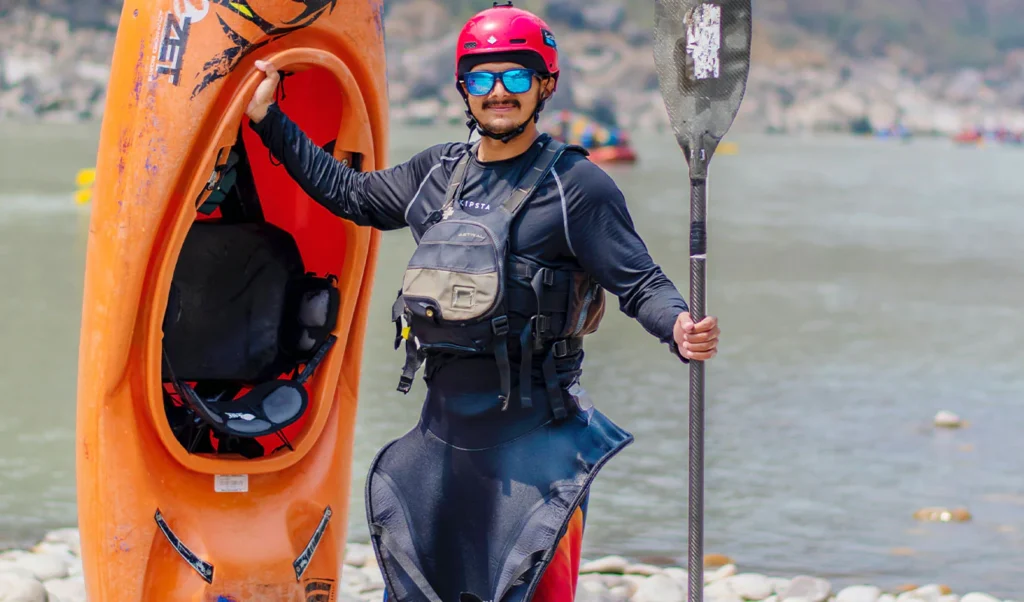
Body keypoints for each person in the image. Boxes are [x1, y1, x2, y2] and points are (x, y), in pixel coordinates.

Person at [245, 3, 720, 601]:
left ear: (545, 84)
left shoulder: (575, 187)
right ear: (463, 89)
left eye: (517, 77)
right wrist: (268, 120)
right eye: (482, 78)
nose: (499, 92)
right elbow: (351, 194)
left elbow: (641, 282)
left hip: (540, 444)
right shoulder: (435, 174)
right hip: (442, 440)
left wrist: (678, 326)